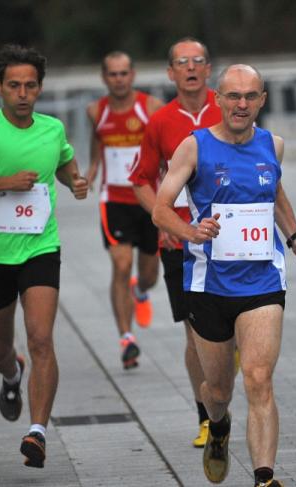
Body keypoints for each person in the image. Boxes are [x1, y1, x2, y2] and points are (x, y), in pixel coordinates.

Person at [154, 64, 296, 487]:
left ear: (262, 100)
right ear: (218, 99)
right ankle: (218, 424)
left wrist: (295, 237)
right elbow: (160, 208)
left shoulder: (273, 145)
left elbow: (275, 193)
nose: (241, 104)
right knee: (218, 391)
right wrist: (191, 231)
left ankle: (264, 478)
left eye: (250, 96)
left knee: (259, 378)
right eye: (233, 95)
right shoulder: (194, 147)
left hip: (263, 281)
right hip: (208, 284)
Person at [0, 44, 88, 469]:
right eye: (14, 86)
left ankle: (37, 431)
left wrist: (75, 181)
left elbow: (64, 162)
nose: (23, 94)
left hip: (40, 247)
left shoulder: (53, 128)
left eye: (30, 86)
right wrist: (4, 182)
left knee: (41, 337)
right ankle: (11, 373)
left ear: (40, 88)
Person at [129, 37, 222, 448]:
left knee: (231, 334)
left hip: (231, 236)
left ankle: (221, 385)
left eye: (198, 60)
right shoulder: (160, 121)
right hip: (180, 242)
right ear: (171, 73)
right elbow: (140, 180)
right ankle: (206, 418)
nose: (190, 67)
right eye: (182, 62)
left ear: (208, 69)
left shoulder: (230, 107)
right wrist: (161, 217)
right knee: (195, 334)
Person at [85, 51, 163, 369]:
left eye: (123, 73)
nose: (118, 79)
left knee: (149, 275)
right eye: (112, 74)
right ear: (104, 77)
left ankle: (140, 291)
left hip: (149, 201)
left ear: (132, 75)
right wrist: (90, 173)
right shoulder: (96, 111)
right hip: (114, 200)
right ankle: (126, 338)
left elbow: (164, 149)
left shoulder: (151, 107)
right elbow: (97, 145)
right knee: (121, 265)